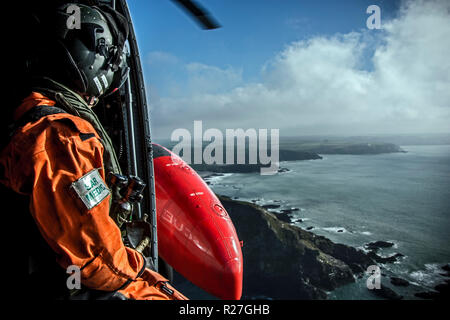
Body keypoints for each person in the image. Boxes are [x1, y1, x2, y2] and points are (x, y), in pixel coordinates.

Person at [0, 2, 186, 300]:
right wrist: (149, 276)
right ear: (94, 57)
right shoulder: (62, 136)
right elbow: (97, 261)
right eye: (112, 58)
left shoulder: (39, 118)